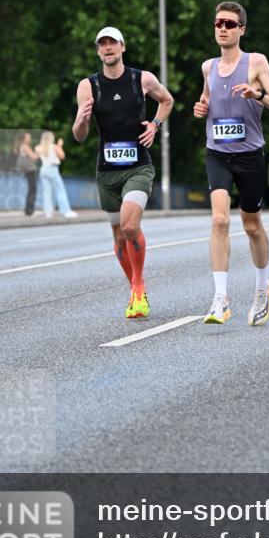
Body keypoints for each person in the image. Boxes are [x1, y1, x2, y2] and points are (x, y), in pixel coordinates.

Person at [193, 2, 269, 326]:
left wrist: (256, 95)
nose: (223, 28)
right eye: (218, 22)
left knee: (251, 225)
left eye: (230, 24)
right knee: (219, 219)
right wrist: (201, 109)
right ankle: (221, 299)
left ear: (241, 29)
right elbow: (207, 99)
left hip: (249, 156)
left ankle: (263, 288)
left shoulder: (256, 62)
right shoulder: (208, 67)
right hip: (217, 152)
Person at [72, 26, 174, 319]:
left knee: (130, 226)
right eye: (102, 44)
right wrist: (81, 120)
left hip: (138, 167)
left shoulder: (141, 79)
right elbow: (80, 135)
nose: (108, 48)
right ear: (98, 51)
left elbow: (167, 100)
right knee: (118, 236)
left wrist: (154, 125)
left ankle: (139, 287)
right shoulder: (88, 86)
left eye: (112, 43)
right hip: (107, 172)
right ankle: (134, 290)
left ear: (122, 47)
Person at [35, 131, 77, 219]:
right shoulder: (54, 147)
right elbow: (62, 156)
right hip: (53, 169)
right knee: (60, 190)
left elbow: (37, 157)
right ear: (51, 138)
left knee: (46, 192)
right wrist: (59, 146)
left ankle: (48, 213)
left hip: (43, 170)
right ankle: (66, 211)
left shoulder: (38, 147)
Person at [14, 131, 39, 216]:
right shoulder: (25, 146)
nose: (30, 139)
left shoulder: (21, 146)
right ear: (24, 139)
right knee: (32, 190)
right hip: (31, 170)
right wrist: (40, 151)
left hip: (27, 170)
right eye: (28, 137)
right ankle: (29, 210)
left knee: (31, 189)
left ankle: (28, 210)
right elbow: (34, 157)